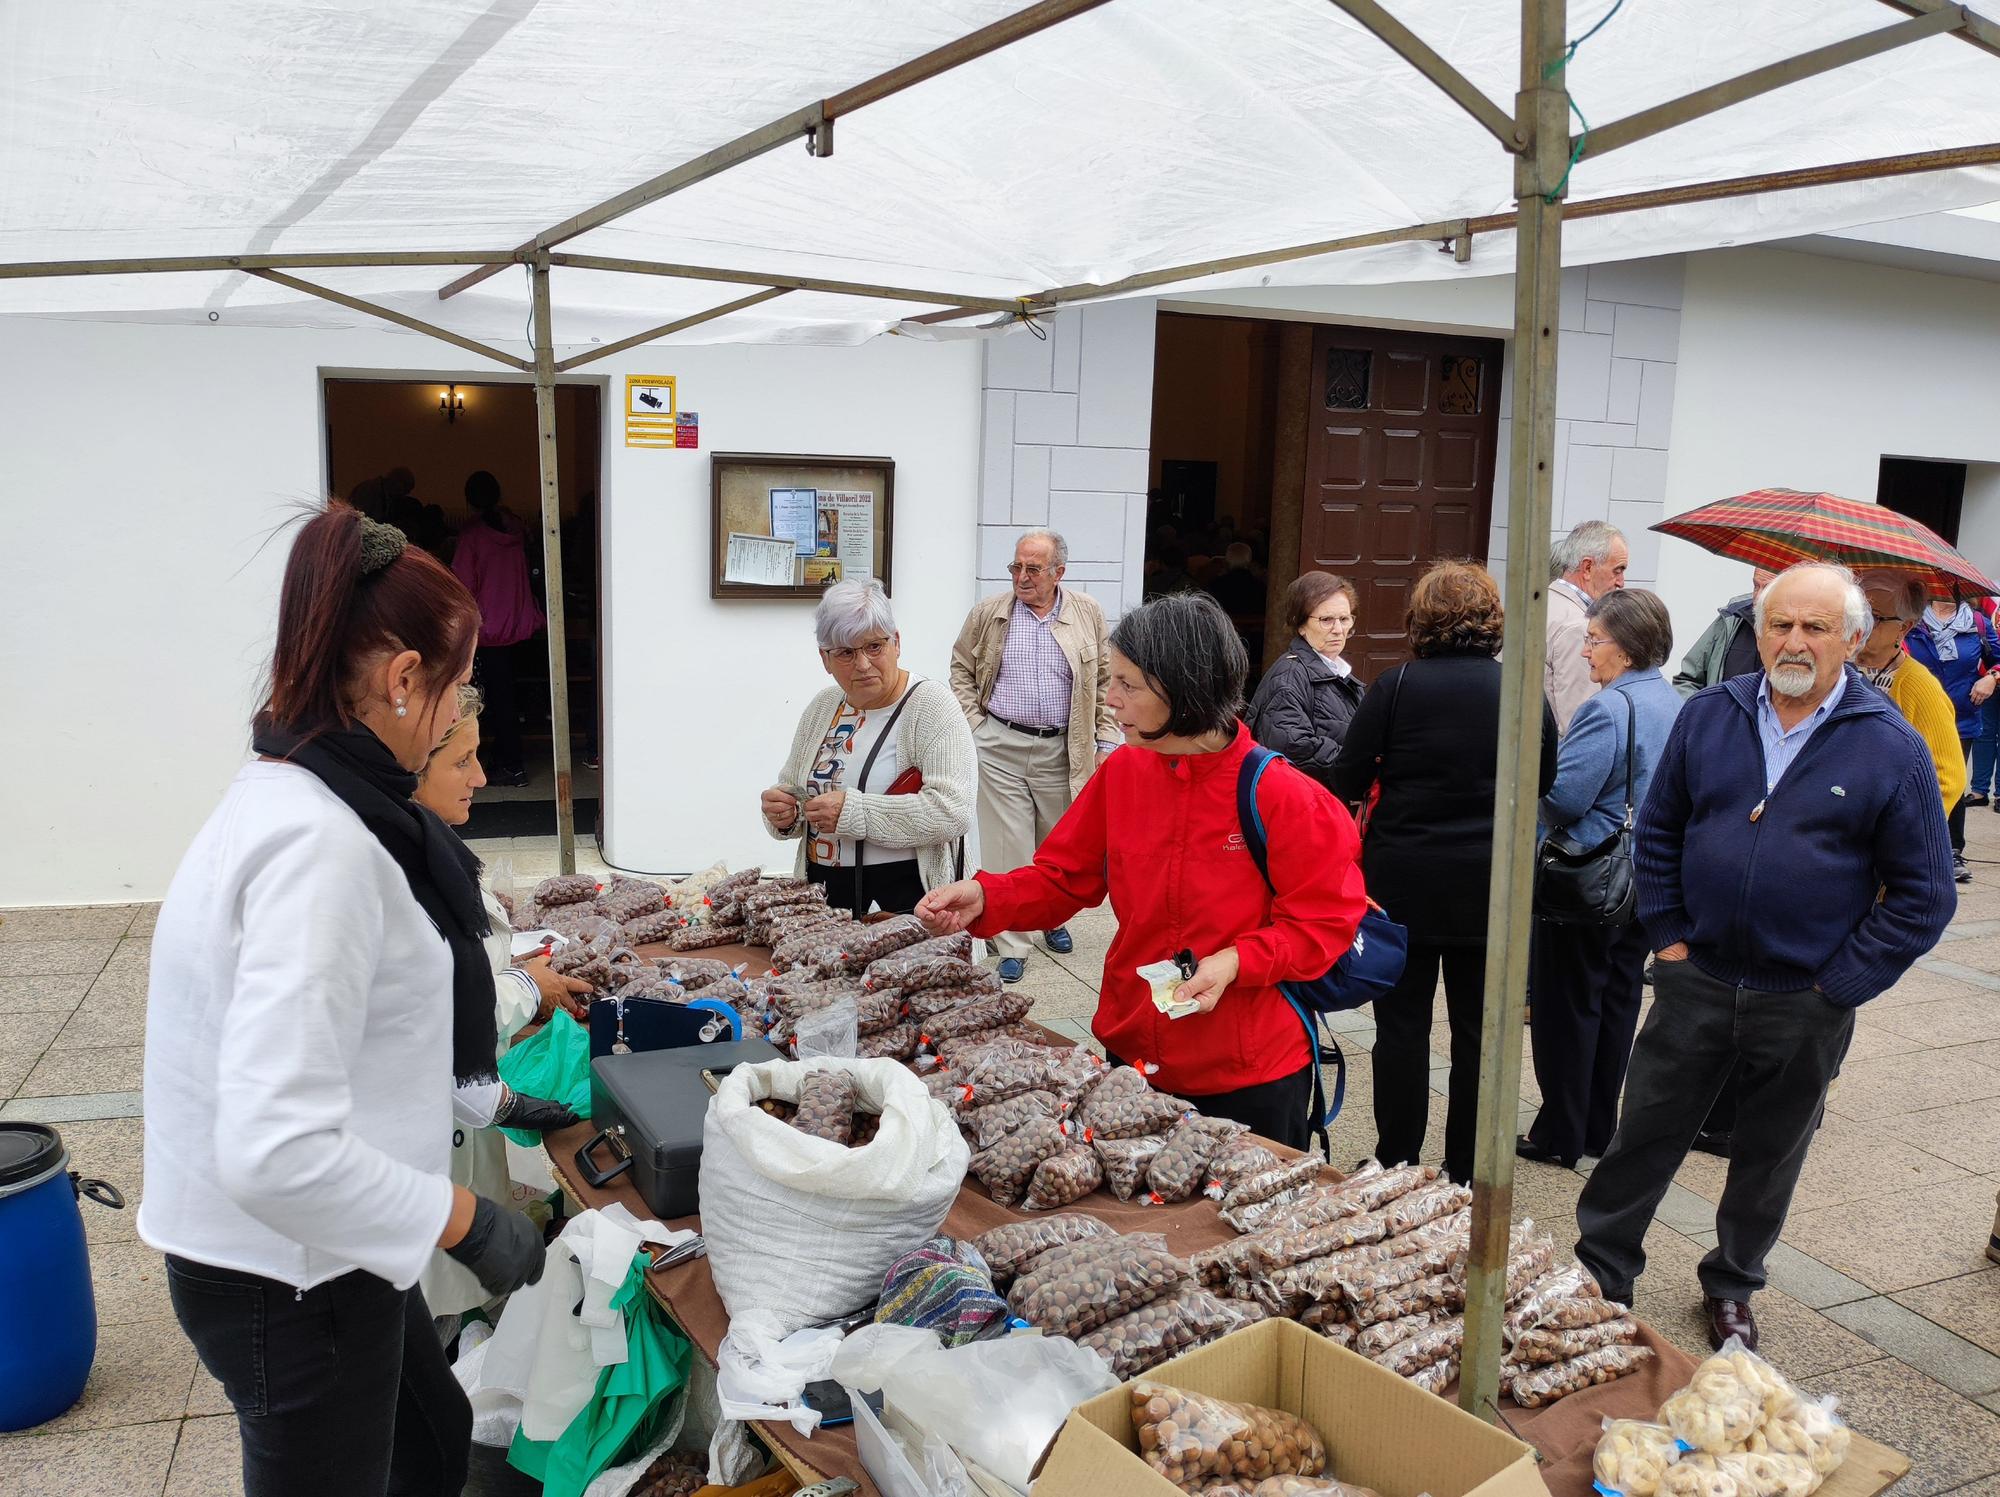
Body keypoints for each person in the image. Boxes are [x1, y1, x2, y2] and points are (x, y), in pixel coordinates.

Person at [142, 503, 548, 1497]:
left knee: (430, 1433)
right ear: (405, 681)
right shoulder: (320, 845)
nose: (461, 713)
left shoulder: (290, 785)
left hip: (328, 1254)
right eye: (457, 687)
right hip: (290, 1277)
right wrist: (463, 1218)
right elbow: (273, 1148)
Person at [1575, 563, 1954, 1352]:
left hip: (1803, 998)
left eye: (1816, 627)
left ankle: (1733, 1283)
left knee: (1769, 1154)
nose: (1794, 641)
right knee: (1642, 1133)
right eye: (1779, 623)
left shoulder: (1891, 747)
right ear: (1756, 629)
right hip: (1698, 976)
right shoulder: (1708, 714)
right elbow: (1660, 829)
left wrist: (1839, 982)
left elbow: (1924, 894)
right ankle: (1601, 1272)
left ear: (1851, 640)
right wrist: (1668, 934)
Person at [916, 592, 1366, 1148]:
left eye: (1128, 684)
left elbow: (1323, 925)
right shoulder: (1124, 773)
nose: (1110, 700)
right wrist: (987, 899)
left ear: (1184, 688)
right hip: (1132, 1052)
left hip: (1248, 1069)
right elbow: (1063, 877)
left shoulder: (1285, 797)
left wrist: (1236, 961)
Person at [1333, 561, 1557, 1183]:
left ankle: (1397, 1159)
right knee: (1477, 1036)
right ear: (1492, 621)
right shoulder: (1518, 689)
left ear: (1421, 619)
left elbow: (1346, 777)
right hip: (1489, 888)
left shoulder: (1396, 686)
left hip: (1403, 883)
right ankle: (1465, 1170)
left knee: (1399, 1029)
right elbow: (1546, 780)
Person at [411, 688, 590, 1334]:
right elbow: (449, 1017)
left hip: (457, 1129)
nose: (483, 777)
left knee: (454, 1309)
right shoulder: (402, 871)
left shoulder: (433, 845)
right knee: (429, 1321)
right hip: (424, 1167)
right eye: (463, 760)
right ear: (412, 763)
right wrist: (526, 989)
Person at [1516, 589, 1682, 1170]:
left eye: (1595, 640)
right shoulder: (1675, 701)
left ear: (1629, 647)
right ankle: (1595, 1127)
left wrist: (1531, 789)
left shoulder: (1607, 709)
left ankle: (1560, 1132)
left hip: (1591, 877)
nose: (1586, 652)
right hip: (1649, 877)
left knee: (1568, 1007)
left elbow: (1564, 800)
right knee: (1617, 1003)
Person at [949, 530, 1119, 981]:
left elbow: (1104, 680)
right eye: (1016, 568)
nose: (1022, 578)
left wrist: (1106, 741)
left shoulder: (1087, 612)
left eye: (1033, 569)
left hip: (1066, 746)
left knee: (1057, 842)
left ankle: (1052, 916)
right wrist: (976, 726)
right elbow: (961, 667)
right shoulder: (990, 613)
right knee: (1009, 845)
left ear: (1058, 572)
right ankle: (1011, 940)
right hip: (1000, 742)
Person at [765, 580, 976, 917]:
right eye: (846, 653)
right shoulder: (823, 707)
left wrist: (854, 812)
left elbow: (953, 811)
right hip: (824, 898)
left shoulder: (931, 705)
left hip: (909, 900)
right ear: (825, 658)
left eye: (874, 646)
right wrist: (784, 814)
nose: (862, 664)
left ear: (897, 643)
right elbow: (794, 790)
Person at [451, 470, 544, 788]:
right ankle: (507, 758)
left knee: (491, 700)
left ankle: (511, 764)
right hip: (522, 626)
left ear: (468, 499)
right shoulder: (517, 529)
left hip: (488, 631)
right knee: (513, 696)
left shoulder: (471, 538)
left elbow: (461, 587)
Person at [1851, 570, 1967, 820]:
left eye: (1875, 617)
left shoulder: (1918, 684)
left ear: (1904, 628)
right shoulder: (1836, 666)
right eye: (1857, 613)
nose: (1862, 623)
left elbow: (1948, 778)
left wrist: (1902, 829)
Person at [1902, 594, 2000, 884]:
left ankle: (1952, 850)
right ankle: (1908, 846)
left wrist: (1992, 678)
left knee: (1953, 782)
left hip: (1961, 716)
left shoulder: (1979, 624)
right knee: (1910, 779)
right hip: (1914, 714)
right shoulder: (1913, 620)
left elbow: (1998, 659)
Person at [1245, 572, 1364, 793]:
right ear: (1300, 625)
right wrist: (1355, 763)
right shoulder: (1289, 678)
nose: (1338, 630)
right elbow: (1291, 747)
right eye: (1326, 620)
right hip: (1305, 808)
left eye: (1345, 619)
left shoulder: (1339, 673)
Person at [1546, 521, 1628, 734]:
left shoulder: (1539, 604)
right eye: (1617, 570)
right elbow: (1578, 722)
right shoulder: (1579, 627)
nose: (1621, 582)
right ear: (1588, 567)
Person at [1674, 568, 1778, 698]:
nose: (1757, 597)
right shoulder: (1732, 616)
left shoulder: (1802, 638)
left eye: (1769, 589)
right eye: (1756, 586)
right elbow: (1687, 681)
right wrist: (1704, 714)